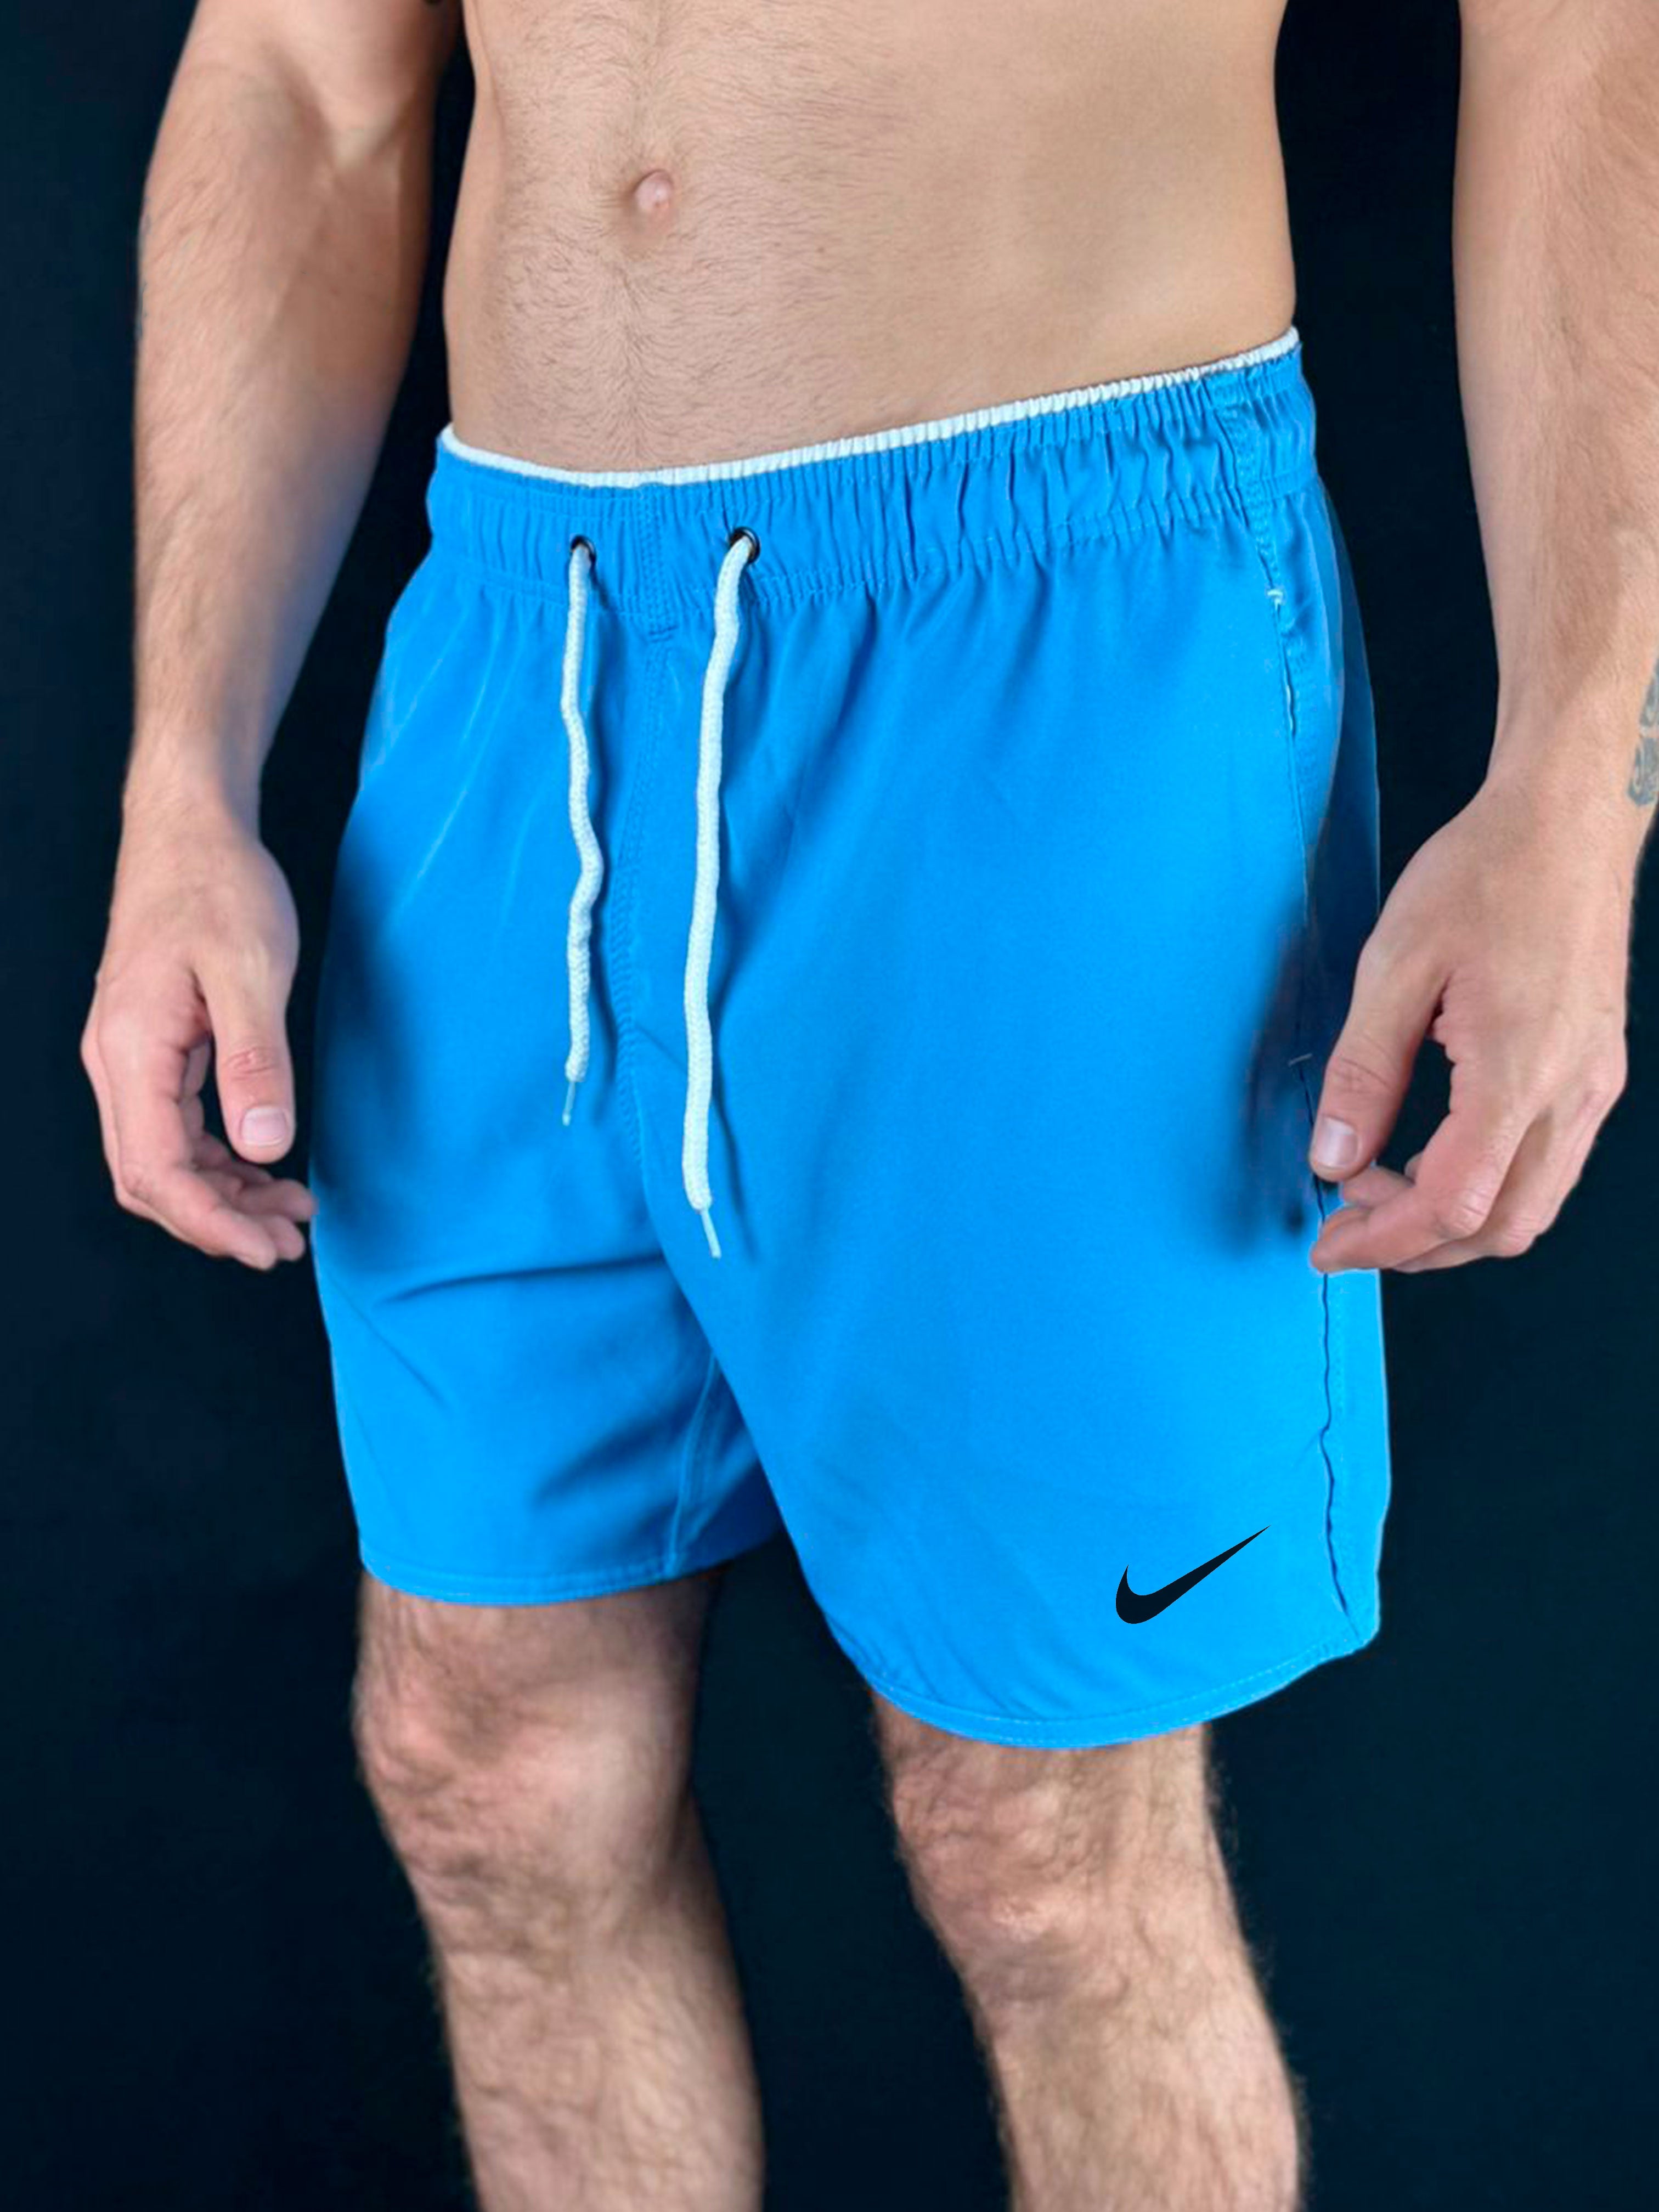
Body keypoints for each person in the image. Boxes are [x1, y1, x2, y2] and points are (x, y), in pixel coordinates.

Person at [81, 1, 1656, 2205]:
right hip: (522, 656)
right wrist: (181, 776)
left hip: (1056, 628)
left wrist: (1582, 768)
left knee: (1048, 1841)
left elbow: (1584, 41)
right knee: (491, 1760)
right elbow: (302, 76)